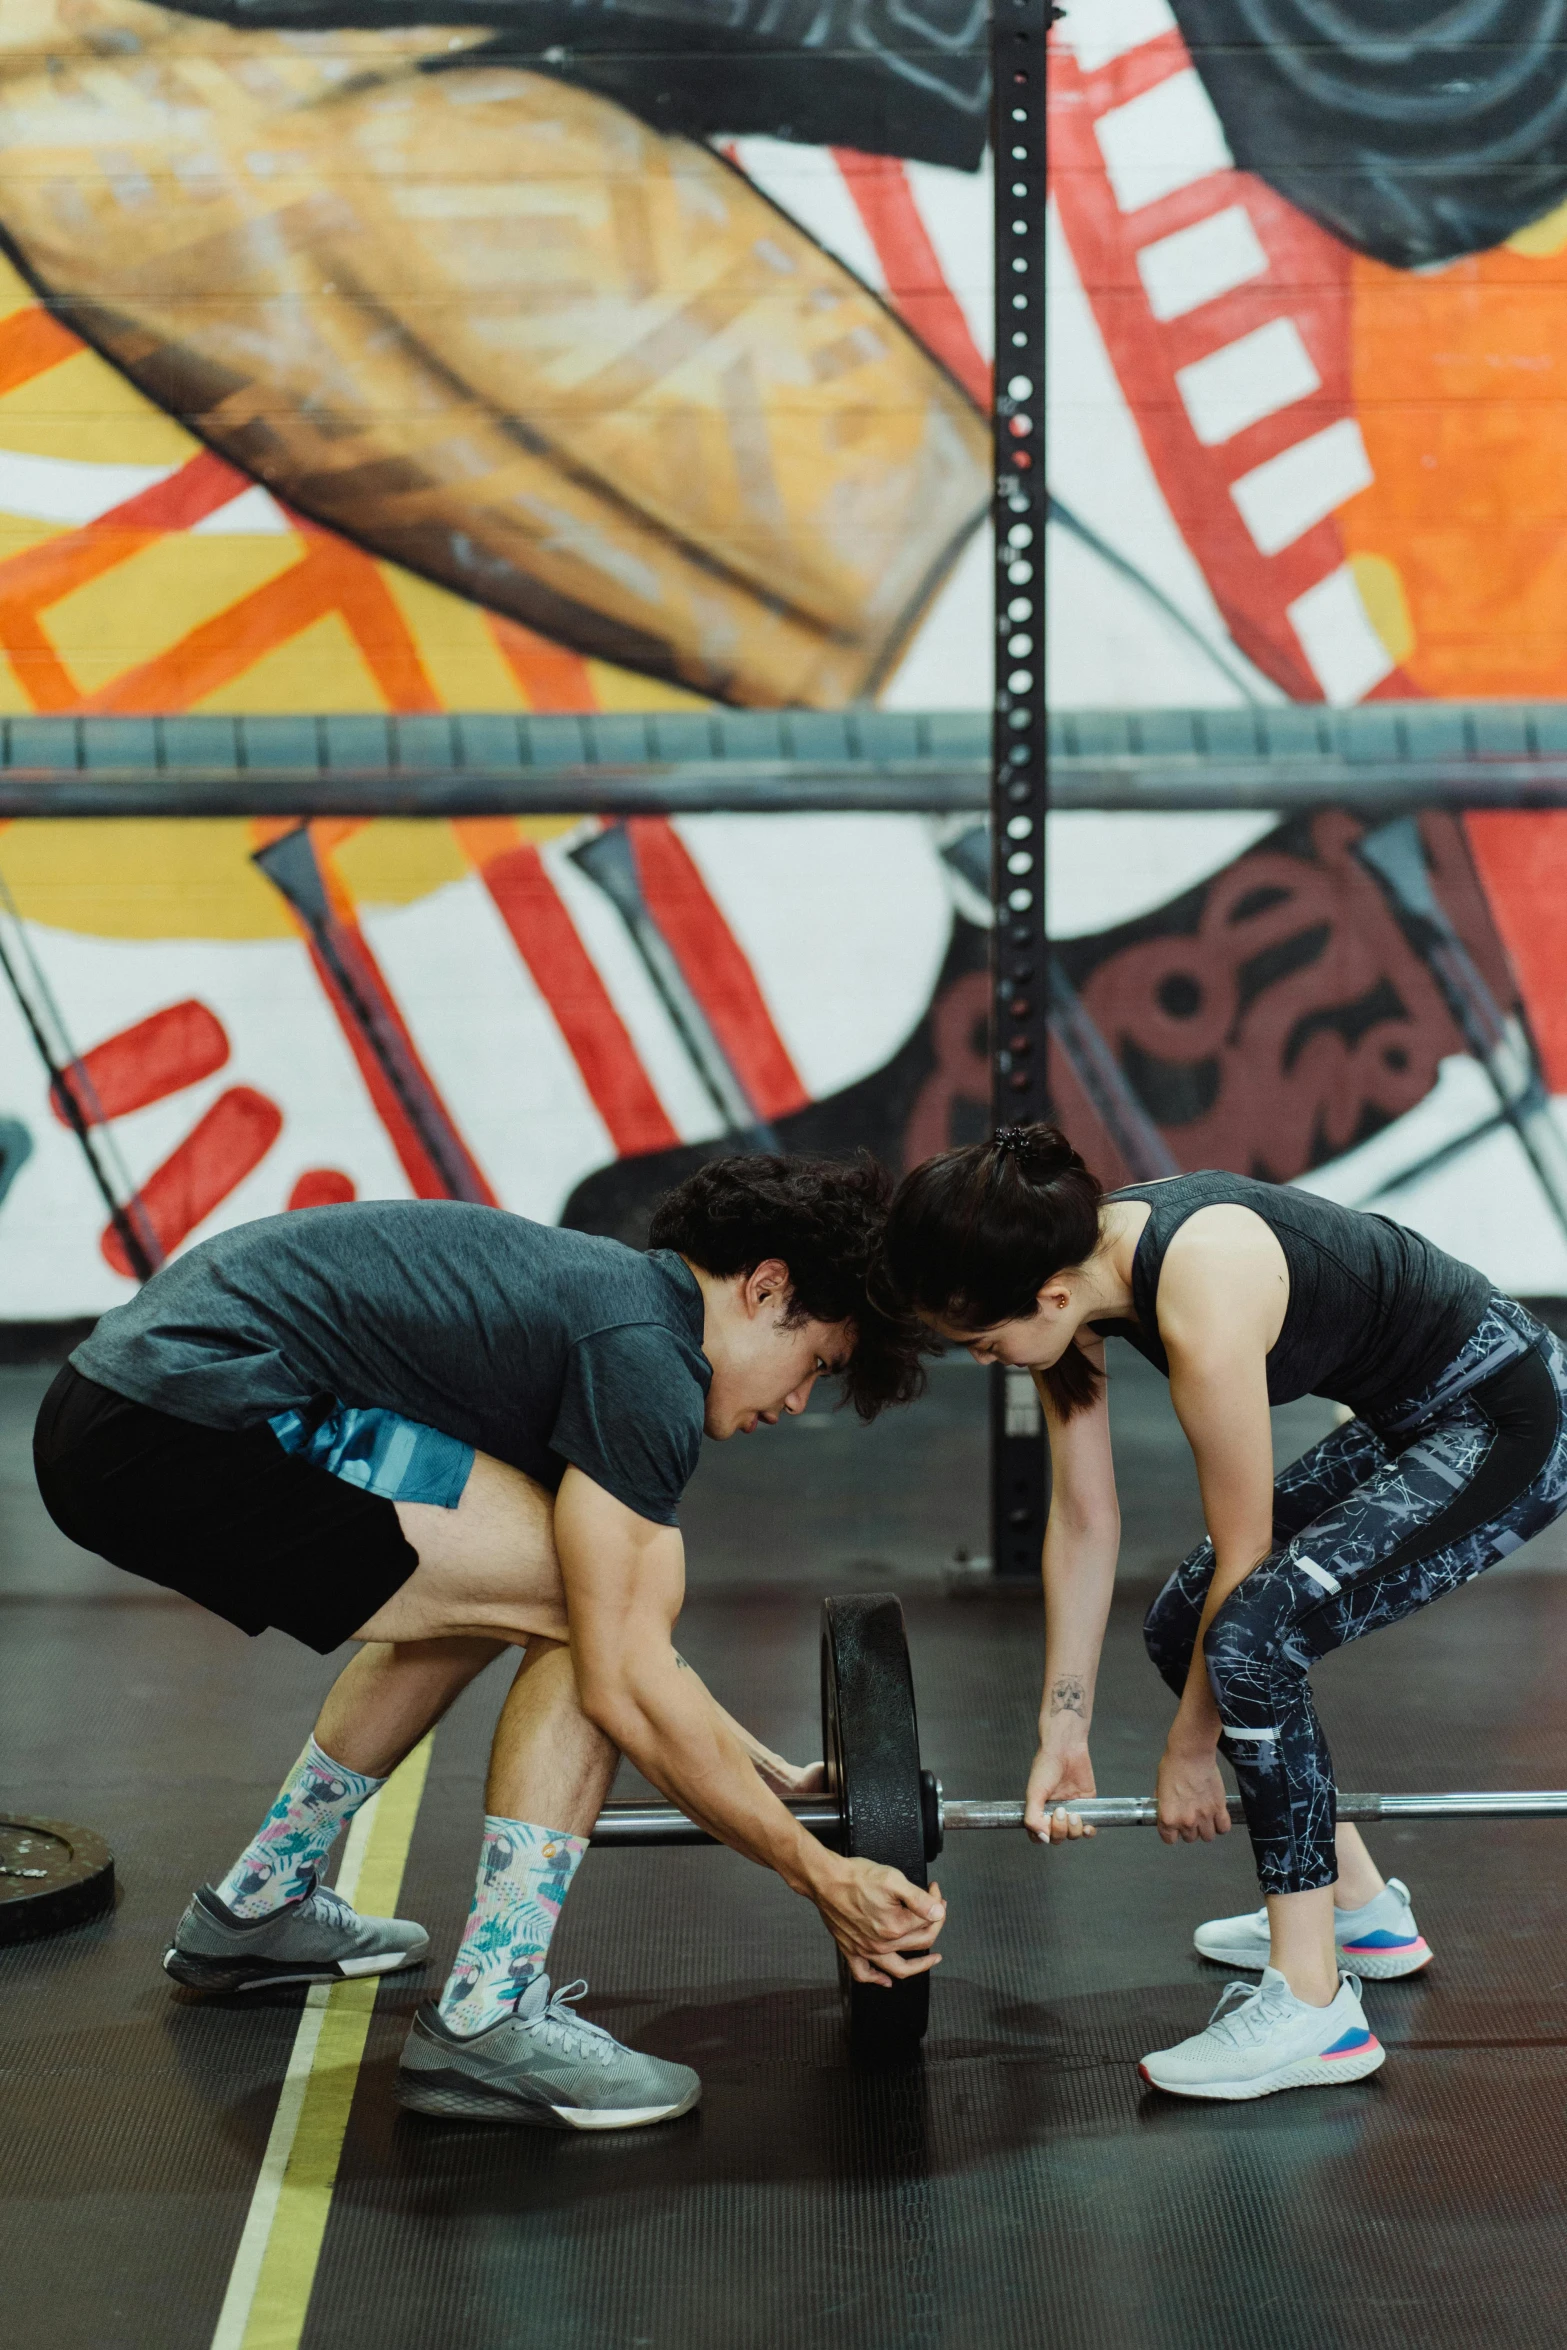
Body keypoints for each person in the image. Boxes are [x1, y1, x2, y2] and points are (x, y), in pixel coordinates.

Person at [34, 1155, 946, 2129]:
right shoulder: (645, 1356)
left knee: (517, 1593)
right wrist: (821, 1874)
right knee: (568, 1608)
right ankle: (487, 2014)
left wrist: (770, 1778)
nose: (800, 1401)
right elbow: (622, 1674)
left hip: (118, 1409)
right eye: (817, 1363)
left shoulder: (606, 1306)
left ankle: (257, 1907)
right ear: (767, 1287)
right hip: (182, 1417)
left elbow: (621, 1644)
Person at [881, 1123, 1567, 2102]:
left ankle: (1312, 2006)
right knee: (1180, 1623)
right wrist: (1061, 1723)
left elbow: (1244, 1570)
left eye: (985, 1343)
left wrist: (1190, 1745)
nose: (987, 1360)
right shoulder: (1068, 1267)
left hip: (1510, 1425)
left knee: (1246, 1638)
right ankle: (1359, 1913)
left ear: (1049, 1296)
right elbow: (1082, 1520)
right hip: (1414, 1417)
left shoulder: (1196, 1288)